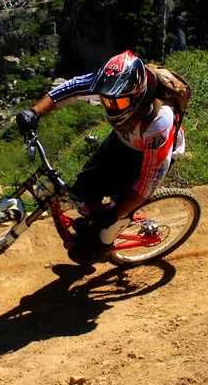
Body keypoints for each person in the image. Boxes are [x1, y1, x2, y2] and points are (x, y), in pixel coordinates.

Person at [15, 50, 186, 264]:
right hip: (120, 141)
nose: (111, 106)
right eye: (106, 102)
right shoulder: (112, 87)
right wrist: (35, 112)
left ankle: (103, 247)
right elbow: (71, 89)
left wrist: (115, 213)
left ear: (137, 95)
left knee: (114, 217)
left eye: (118, 104)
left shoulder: (160, 121)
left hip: (147, 154)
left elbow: (150, 180)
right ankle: (94, 223)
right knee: (82, 191)